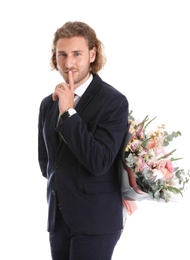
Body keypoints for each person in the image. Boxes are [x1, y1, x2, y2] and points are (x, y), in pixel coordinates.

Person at [38, 21, 129, 260]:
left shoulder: (113, 101)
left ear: (92, 54)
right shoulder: (48, 104)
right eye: (62, 55)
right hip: (57, 221)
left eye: (77, 54)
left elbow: (99, 162)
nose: (68, 63)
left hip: (95, 223)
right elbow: (46, 163)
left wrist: (69, 113)